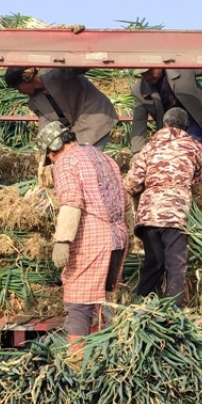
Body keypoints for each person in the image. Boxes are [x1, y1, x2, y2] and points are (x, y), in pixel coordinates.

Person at [38, 121, 129, 341]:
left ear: (54, 148)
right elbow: (124, 200)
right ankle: (108, 362)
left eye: (49, 156)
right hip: (118, 239)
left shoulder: (67, 162)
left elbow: (71, 201)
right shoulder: (104, 157)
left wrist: (63, 240)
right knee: (104, 304)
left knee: (78, 305)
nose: (51, 161)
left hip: (93, 242)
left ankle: (77, 365)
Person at [123, 107, 202, 308]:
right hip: (176, 215)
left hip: (149, 215)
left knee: (154, 262)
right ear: (186, 127)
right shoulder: (194, 147)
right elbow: (197, 178)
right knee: (175, 265)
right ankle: (172, 311)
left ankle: (141, 306)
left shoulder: (149, 146)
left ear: (166, 124)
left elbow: (132, 182)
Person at [5, 67, 117, 150]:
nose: (19, 92)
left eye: (17, 87)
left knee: (87, 159)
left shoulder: (56, 72)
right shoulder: (35, 101)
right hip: (78, 126)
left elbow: (79, 67)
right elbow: (46, 124)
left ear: (25, 79)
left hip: (94, 115)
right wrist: (41, 146)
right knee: (77, 157)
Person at [130, 68, 202, 155]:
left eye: (149, 71)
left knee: (192, 142)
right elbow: (139, 121)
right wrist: (137, 152)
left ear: (159, 65)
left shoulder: (181, 69)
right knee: (169, 150)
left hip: (194, 116)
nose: (146, 76)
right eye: (143, 74)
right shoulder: (139, 91)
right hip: (169, 124)